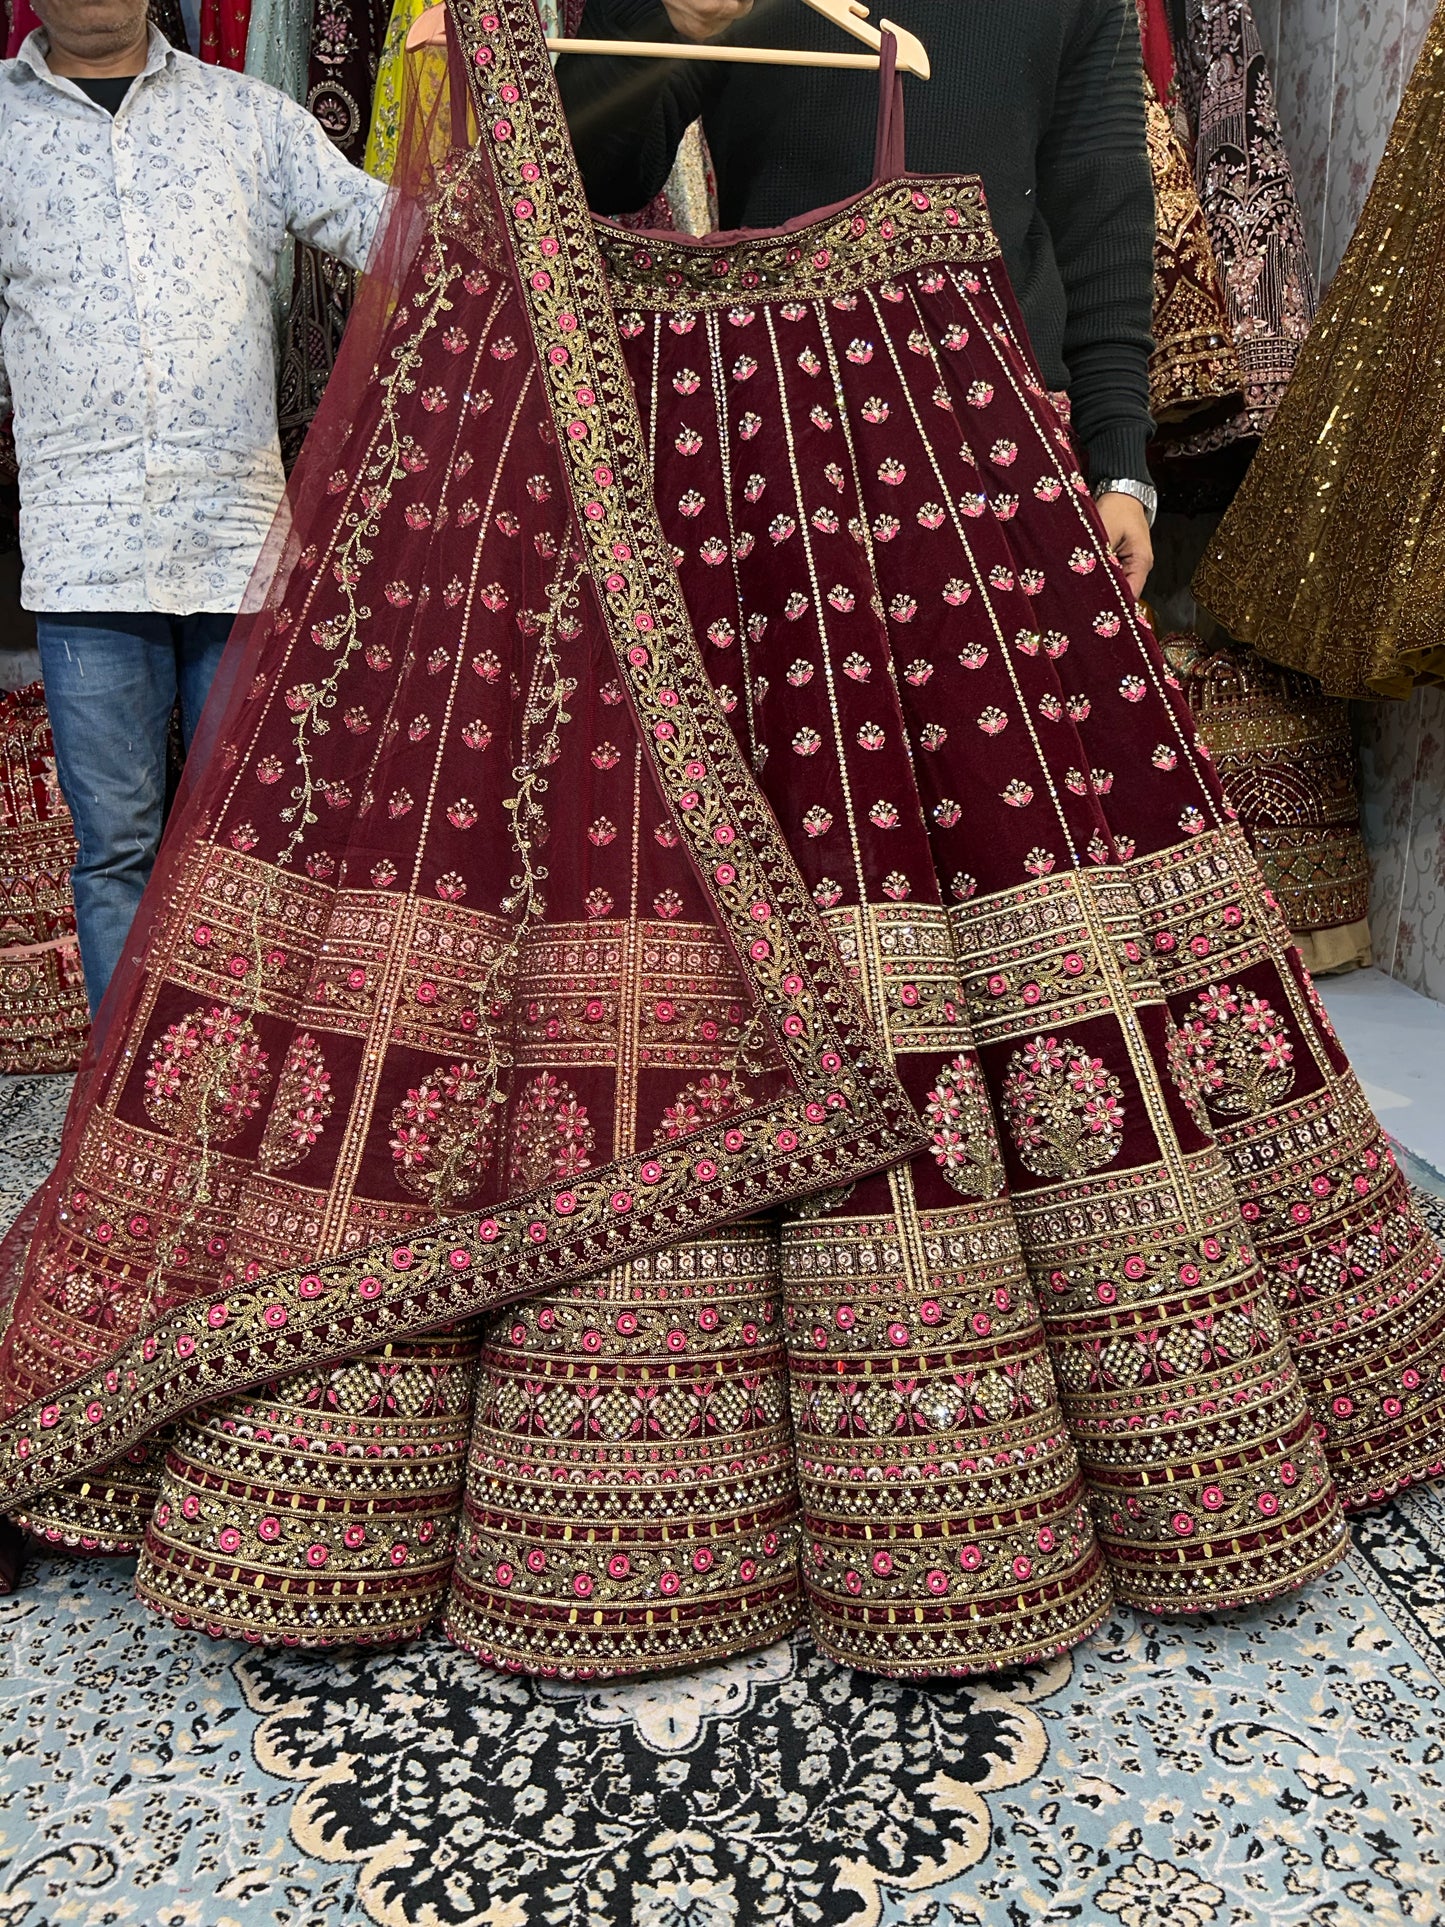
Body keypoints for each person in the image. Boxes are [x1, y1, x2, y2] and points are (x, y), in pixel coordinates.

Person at [0, 0, 387, 1013]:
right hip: (84, 554)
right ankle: (124, 1110)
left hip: (236, 548)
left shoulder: (249, 119)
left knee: (246, 840)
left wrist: (523, 200)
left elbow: (377, 227)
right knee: (117, 849)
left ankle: (240, 1087)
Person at [557, 0, 1160, 594]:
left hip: (1006, 435)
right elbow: (598, 171)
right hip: (786, 441)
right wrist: (658, 16)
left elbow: (1102, 215)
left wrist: (1121, 467)